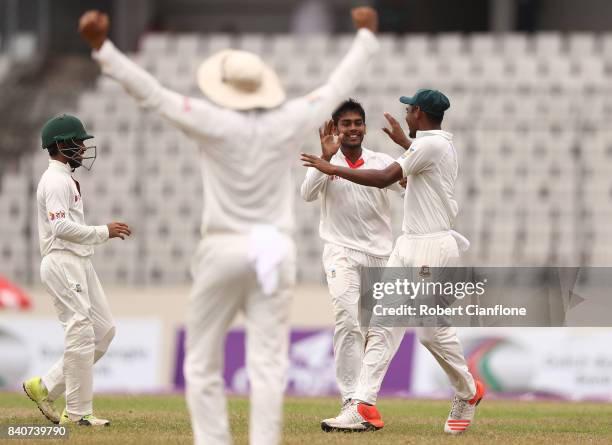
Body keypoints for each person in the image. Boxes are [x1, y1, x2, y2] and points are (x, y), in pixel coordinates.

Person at [78, 7, 379, 445]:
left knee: (201, 362)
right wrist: (367, 36)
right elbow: (338, 84)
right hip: (274, 248)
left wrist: (102, 48)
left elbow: (153, 94)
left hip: (223, 247)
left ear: (224, 88)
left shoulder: (212, 120)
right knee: (269, 363)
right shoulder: (288, 118)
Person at [301, 89, 485, 434]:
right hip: (407, 243)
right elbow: (412, 170)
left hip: (431, 246)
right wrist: (405, 145)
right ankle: (361, 405)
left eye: (408, 109)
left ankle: (468, 391)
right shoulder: (425, 145)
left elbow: (387, 178)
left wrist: (329, 166)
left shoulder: (430, 145)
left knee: (431, 334)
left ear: (418, 112)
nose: (405, 114)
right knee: (384, 324)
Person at [300, 99, 405, 429]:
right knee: (347, 319)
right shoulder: (324, 162)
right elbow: (306, 194)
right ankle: (350, 400)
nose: (353, 128)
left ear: (365, 127)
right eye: (346, 123)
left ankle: (362, 401)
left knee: (375, 332)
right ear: (336, 128)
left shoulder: (381, 162)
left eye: (358, 122)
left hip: (379, 256)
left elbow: (408, 188)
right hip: (341, 252)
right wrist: (326, 159)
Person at [23, 114, 131, 427]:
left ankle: (45, 386)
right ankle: (78, 412)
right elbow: (59, 227)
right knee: (81, 329)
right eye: (78, 141)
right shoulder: (55, 180)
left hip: (80, 261)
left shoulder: (65, 178)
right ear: (60, 145)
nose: (83, 147)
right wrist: (103, 231)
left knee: (103, 330)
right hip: (62, 259)